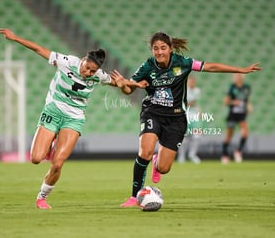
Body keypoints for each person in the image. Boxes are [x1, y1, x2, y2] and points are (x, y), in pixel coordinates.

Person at [0, 28, 145, 209]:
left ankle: (42, 197)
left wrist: (129, 84)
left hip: (74, 118)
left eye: (92, 71)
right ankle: (51, 143)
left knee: (58, 163)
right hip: (53, 111)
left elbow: (123, 87)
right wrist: (15, 38)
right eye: (87, 68)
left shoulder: (98, 76)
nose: (88, 73)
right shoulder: (66, 61)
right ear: (83, 59)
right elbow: (39, 49)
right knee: (36, 158)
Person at [111, 32, 261, 207]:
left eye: (163, 48)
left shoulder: (183, 63)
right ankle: (134, 196)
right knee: (145, 151)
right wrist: (123, 86)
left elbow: (210, 67)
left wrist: (240, 69)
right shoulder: (147, 66)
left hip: (176, 119)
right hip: (152, 113)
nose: (159, 52)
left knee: (164, 168)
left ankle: (156, 163)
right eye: (155, 49)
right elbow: (130, 88)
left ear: (171, 48)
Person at [221, 74, 253, 164]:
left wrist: (249, 106)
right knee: (229, 136)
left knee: (245, 133)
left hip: (242, 114)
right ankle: (225, 154)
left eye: (238, 76)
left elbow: (247, 100)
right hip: (233, 114)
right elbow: (225, 102)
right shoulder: (231, 87)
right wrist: (233, 102)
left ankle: (238, 151)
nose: (236, 77)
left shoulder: (247, 88)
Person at [178, 75, 202, 164]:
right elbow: (186, 103)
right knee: (184, 137)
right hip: (185, 115)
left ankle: (192, 155)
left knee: (197, 136)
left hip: (194, 115)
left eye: (193, 81)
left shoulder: (197, 91)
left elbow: (196, 103)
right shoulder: (184, 90)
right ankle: (182, 156)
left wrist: (200, 113)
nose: (192, 83)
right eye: (190, 81)